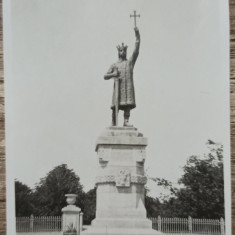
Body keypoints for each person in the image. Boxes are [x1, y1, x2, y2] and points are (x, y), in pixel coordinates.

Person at [104, 27, 140, 127]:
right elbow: (105, 76)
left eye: (124, 51)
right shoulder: (114, 65)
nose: (123, 53)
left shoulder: (129, 63)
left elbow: (136, 51)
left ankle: (126, 120)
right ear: (118, 52)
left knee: (127, 103)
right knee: (116, 105)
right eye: (121, 51)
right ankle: (114, 121)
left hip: (127, 87)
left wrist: (137, 37)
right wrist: (113, 74)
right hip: (118, 89)